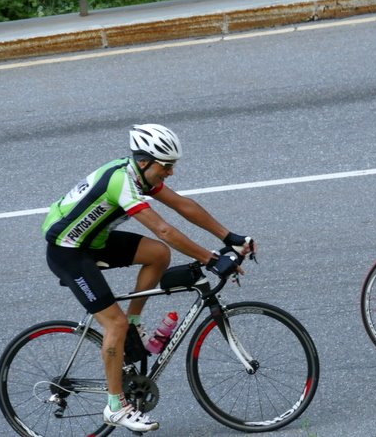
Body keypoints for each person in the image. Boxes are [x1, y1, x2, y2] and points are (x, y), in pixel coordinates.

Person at [42, 123, 254, 433]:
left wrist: (229, 237)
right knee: (113, 324)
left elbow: (183, 205)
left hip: (93, 242)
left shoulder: (139, 174)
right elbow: (163, 229)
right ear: (145, 162)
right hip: (68, 251)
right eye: (166, 166)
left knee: (157, 254)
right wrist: (209, 258)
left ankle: (134, 324)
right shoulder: (121, 182)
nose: (171, 172)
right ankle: (116, 407)